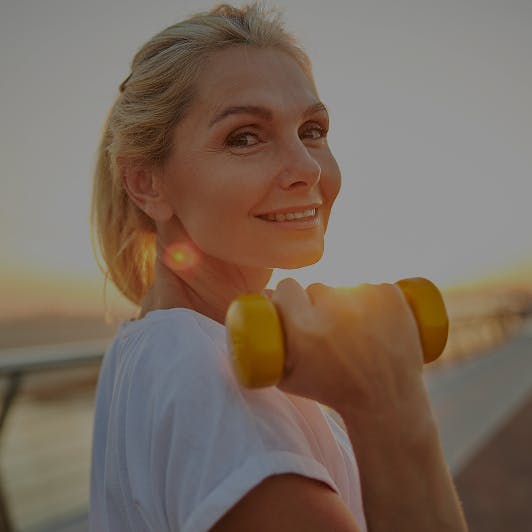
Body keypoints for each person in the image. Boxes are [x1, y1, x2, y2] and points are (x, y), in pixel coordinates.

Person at [89, 2, 468, 531]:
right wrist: (386, 403)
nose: (307, 168)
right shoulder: (206, 377)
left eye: (312, 129)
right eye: (244, 136)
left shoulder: (146, 346)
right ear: (146, 183)